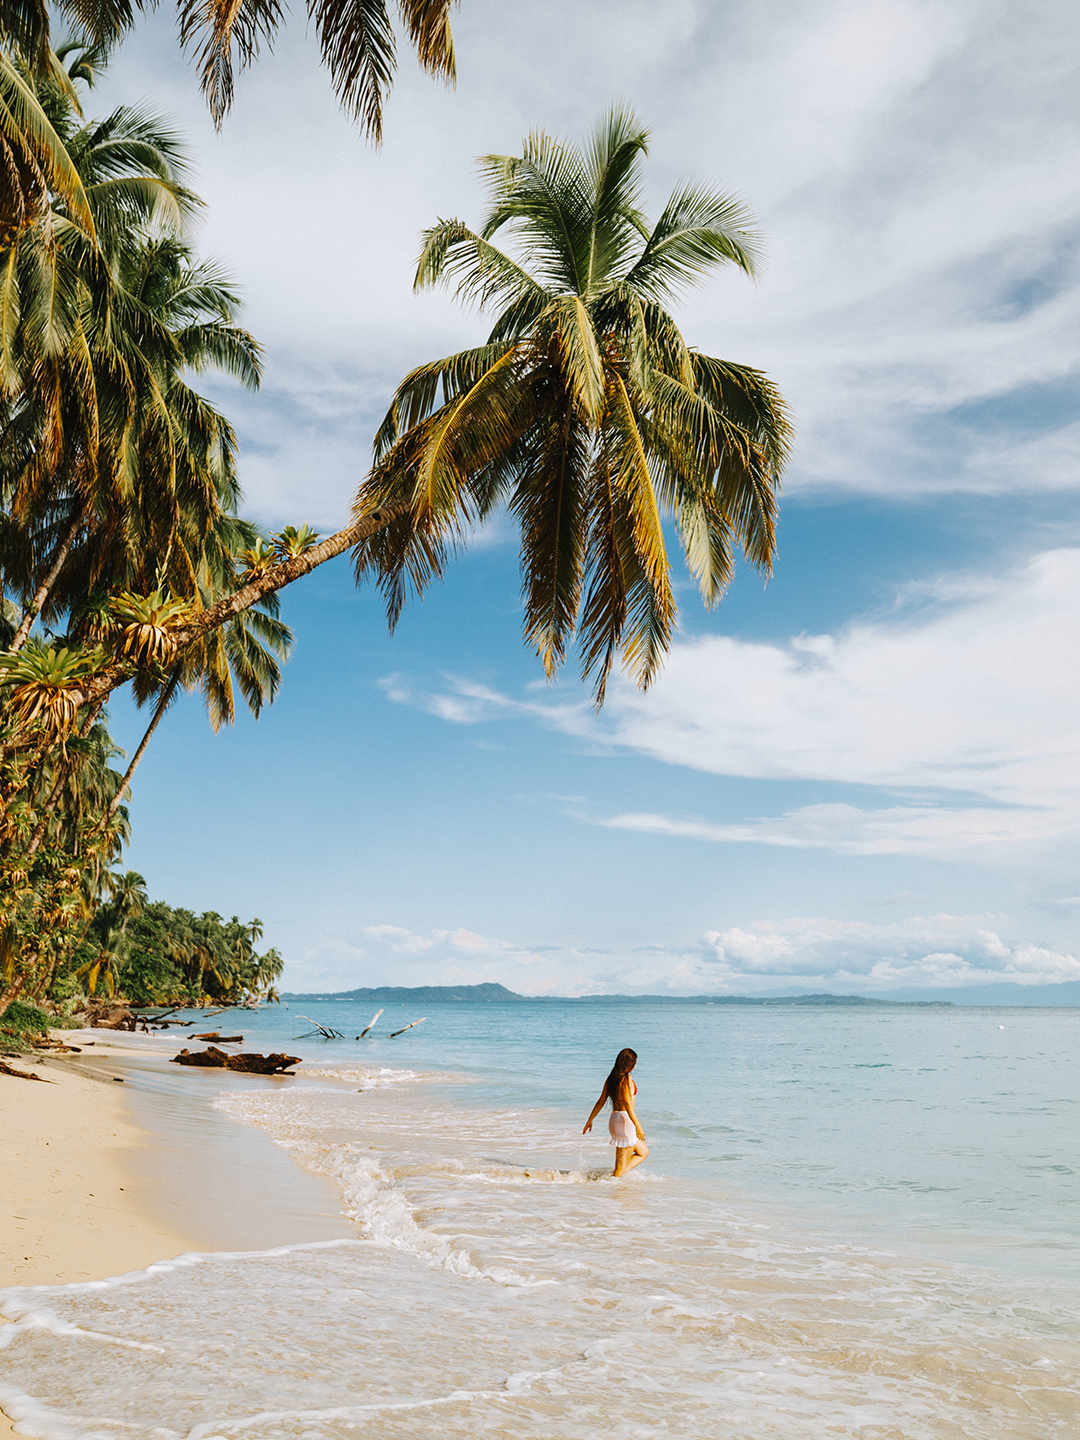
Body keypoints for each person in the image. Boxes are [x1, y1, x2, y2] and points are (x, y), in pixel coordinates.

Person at [583, 1046, 649, 1177]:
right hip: (625, 1122)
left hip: (615, 1119)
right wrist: (638, 1126)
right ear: (631, 1065)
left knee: (643, 1152)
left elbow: (600, 1101)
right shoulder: (626, 1079)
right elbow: (628, 1105)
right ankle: (615, 1184)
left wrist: (590, 1119)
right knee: (620, 1166)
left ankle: (616, 1176)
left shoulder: (611, 1078)